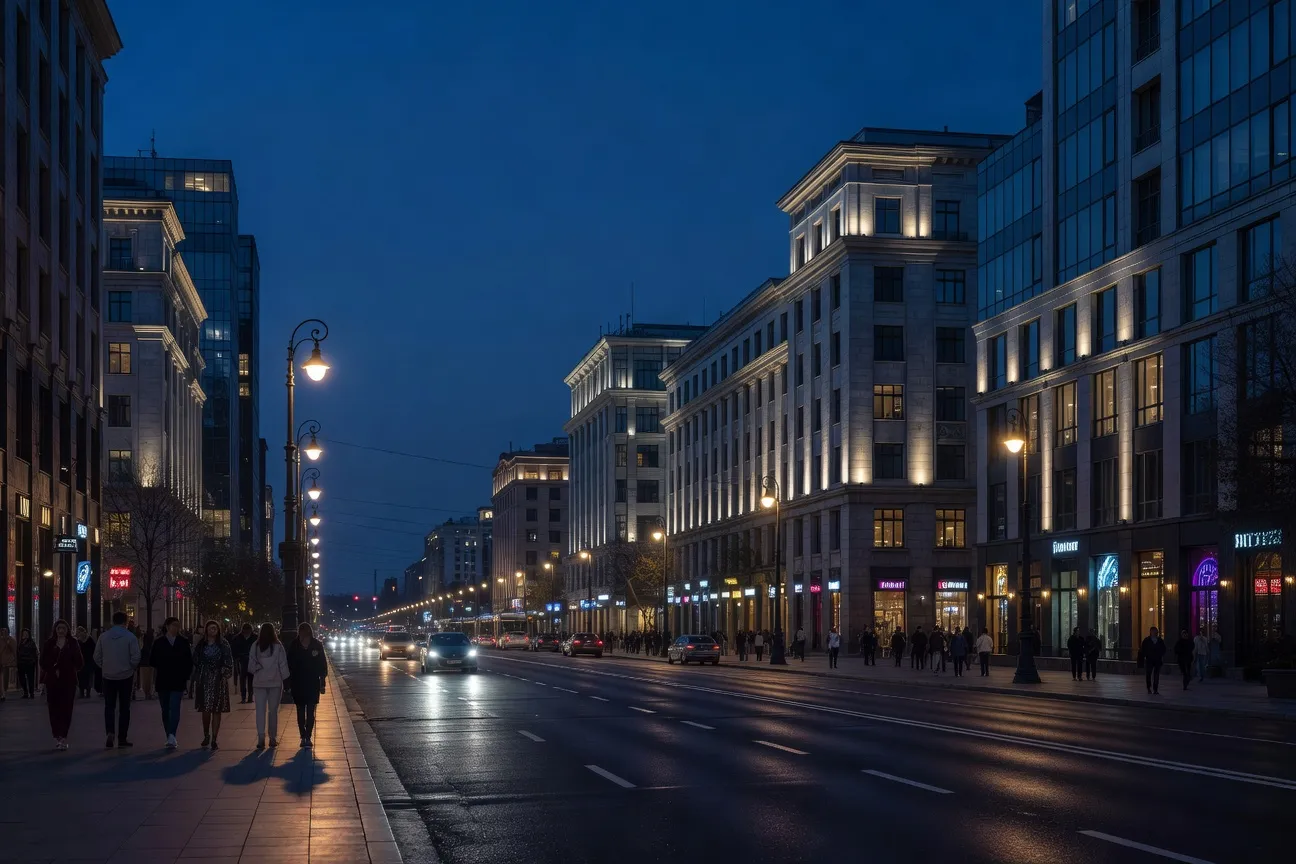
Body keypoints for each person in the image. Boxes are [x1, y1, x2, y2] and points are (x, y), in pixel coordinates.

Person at [94, 612, 141, 747]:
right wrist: (131, 667)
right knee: (124, 708)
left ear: (113, 621)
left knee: (109, 706)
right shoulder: (130, 637)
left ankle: (110, 732)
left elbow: (97, 656)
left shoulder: (103, 637)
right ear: (125, 622)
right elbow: (136, 656)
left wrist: (104, 666)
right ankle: (122, 738)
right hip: (126, 676)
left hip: (108, 676)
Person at [150, 617, 194, 749]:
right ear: (167, 626)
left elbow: (189, 661)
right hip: (163, 680)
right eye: (174, 625)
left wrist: (186, 677)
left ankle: (172, 734)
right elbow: (152, 661)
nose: (176, 628)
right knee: (165, 709)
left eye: (178, 625)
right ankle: (168, 734)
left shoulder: (183, 642)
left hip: (178, 680)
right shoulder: (159, 642)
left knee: (174, 708)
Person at [40, 619, 84, 749]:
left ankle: (63, 736)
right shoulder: (49, 643)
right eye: (58, 628)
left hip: (68, 680)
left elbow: (79, 662)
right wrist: (53, 669)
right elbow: (43, 661)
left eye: (63, 628)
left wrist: (68, 668)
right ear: (55, 629)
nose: (61, 631)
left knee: (66, 709)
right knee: (53, 709)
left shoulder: (73, 643)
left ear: (67, 630)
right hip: (52, 680)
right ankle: (57, 734)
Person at [249, 622, 292, 749]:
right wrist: (287, 682)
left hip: (259, 682)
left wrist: (258, 668)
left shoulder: (255, 646)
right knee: (273, 711)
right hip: (275, 682)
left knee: (260, 711)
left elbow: (251, 665)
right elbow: (283, 664)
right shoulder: (278, 646)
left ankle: (261, 738)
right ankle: (272, 737)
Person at [192, 620, 233, 750]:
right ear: (206, 630)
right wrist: (200, 671)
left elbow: (228, 661)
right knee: (205, 709)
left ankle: (214, 738)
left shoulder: (224, 644)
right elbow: (195, 659)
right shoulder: (201, 644)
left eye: (215, 628)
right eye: (210, 628)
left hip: (218, 680)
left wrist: (224, 672)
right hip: (204, 680)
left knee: (217, 709)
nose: (213, 630)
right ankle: (206, 735)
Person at [287, 623, 328, 748]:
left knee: (310, 711)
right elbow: (289, 663)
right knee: (300, 711)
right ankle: (303, 735)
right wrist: (288, 682)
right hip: (298, 682)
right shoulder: (294, 645)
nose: (303, 635)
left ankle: (308, 736)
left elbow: (322, 664)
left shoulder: (316, 644)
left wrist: (322, 682)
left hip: (312, 682)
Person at [1137, 626, 1167, 695]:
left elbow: (1164, 649)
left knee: (1156, 675)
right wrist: (1145, 656)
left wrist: (1160, 655)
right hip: (1149, 660)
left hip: (1157, 660)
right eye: (1153, 631)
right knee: (1148, 674)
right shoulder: (1147, 640)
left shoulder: (1160, 640)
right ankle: (1149, 688)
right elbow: (1143, 649)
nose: (1155, 633)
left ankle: (1155, 689)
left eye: (1156, 632)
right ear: (1151, 632)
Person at [231, 623, 254, 704]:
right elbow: (233, 650)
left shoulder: (255, 637)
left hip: (251, 660)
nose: (247, 632)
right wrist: (237, 658)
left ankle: (249, 697)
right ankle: (244, 697)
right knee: (243, 679)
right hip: (241, 661)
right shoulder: (237, 638)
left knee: (250, 679)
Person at [16, 628, 38, 699]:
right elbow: (18, 652)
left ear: (28, 635)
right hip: (21, 663)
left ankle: (31, 693)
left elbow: (33, 653)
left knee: (30, 678)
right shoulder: (21, 642)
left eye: (26, 633)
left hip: (29, 663)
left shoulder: (32, 643)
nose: (24, 635)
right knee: (21, 678)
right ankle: (25, 692)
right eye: (23, 633)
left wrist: (32, 661)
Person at [75, 626, 96, 698]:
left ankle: (82, 693)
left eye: (78, 632)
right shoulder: (90, 639)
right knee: (88, 677)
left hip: (82, 662)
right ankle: (88, 693)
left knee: (81, 677)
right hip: (89, 661)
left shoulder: (78, 641)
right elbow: (94, 650)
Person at [0, 625, 16, 701]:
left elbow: (14, 651)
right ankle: (2, 693)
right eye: (2, 631)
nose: (3, 633)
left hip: (6, 662)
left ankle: (3, 693)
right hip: (2, 661)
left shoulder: (11, 640)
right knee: (2, 678)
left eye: (5, 631)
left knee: (3, 678)